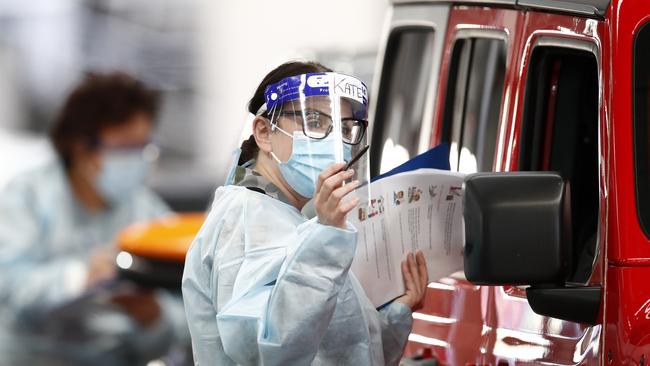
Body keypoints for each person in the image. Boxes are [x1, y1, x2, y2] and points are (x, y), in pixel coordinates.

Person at [182, 61, 429, 365]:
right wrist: (326, 238)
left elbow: (345, 348)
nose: (334, 141)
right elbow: (268, 351)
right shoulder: (246, 219)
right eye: (314, 120)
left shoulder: (291, 220)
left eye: (344, 127)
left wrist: (395, 315)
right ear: (263, 132)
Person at [0, 72, 181, 365]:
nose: (135, 161)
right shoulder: (28, 197)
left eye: (143, 149)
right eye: (124, 149)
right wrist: (81, 275)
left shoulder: (145, 209)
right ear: (80, 147)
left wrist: (156, 315)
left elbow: (190, 308)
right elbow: (10, 289)